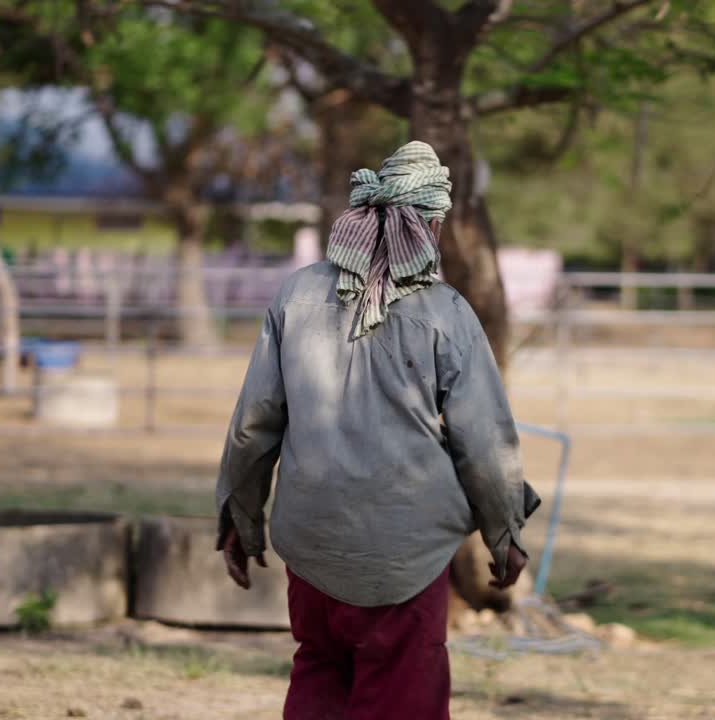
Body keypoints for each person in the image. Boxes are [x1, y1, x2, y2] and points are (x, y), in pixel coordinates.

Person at [216, 141, 538, 720]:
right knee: (401, 697)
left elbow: (253, 425)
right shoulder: (446, 312)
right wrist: (504, 531)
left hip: (311, 542)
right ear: (434, 223)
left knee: (319, 676)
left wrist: (240, 519)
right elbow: (483, 442)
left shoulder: (297, 294)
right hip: (403, 554)